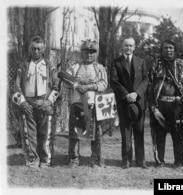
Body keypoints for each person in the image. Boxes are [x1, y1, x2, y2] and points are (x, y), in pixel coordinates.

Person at [12, 36, 59, 168]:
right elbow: (16, 86)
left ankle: (45, 160)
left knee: (45, 134)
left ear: (43, 49)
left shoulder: (50, 66)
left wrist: (49, 102)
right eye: (33, 49)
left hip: (44, 104)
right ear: (30, 49)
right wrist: (22, 103)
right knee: (30, 134)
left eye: (39, 49)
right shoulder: (24, 65)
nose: (36, 51)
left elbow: (57, 85)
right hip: (29, 105)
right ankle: (33, 159)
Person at [64, 40, 108, 168]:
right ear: (82, 52)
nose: (89, 55)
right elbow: (66, 80)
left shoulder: (99, 68)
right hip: (77, 103)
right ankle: (74, 158)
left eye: (92, 52)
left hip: (93, 104)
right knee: (74, 133)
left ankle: (94, 158)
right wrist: (75, 84)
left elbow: (104, 84)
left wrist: (89, 87)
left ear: (96, 53)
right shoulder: (75, 67)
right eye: (86, 52)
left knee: (95, 133)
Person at [148, 39, 183, 168]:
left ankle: (179, 162)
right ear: (161, 50)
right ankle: (160, 161)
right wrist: (152, 104)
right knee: (160, 134)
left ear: (174, 50)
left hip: (176, 105)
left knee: (177, 133)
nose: (168, 50)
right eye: (165, 48)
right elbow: (150, 83)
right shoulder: (156, 64)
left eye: (171, 48)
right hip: (160, 104)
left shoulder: (181, 64)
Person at [111, 37, 148, 169]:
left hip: (138, 102)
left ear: (134, 47)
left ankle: (140, 161)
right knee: (126, 132)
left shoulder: (141, 62)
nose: (128, 48)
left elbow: (145, 80)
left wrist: (136, 93)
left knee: (139, 132)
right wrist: (126, 94)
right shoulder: (116, 62)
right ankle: (126, 160)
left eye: (131, 46)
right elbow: (114, 81)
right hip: (124, 102)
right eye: (126, 45)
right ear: (122, 47)